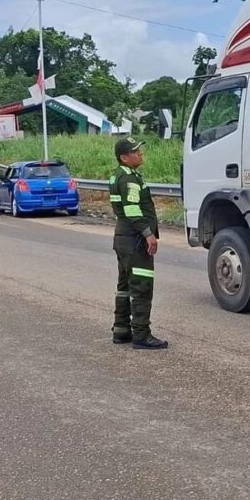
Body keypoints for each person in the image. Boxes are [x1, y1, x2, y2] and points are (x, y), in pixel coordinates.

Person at [109, 137, 168, 349]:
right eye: (135, 151)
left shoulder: (119, 176)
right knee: (141, 287)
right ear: (124, 158)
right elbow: (132, 209)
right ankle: (142, 335)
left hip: (123, 239)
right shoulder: (130, 180)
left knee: (124, 286)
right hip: (134, 240)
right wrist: (147, 234)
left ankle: (121, 330)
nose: (140, 153)